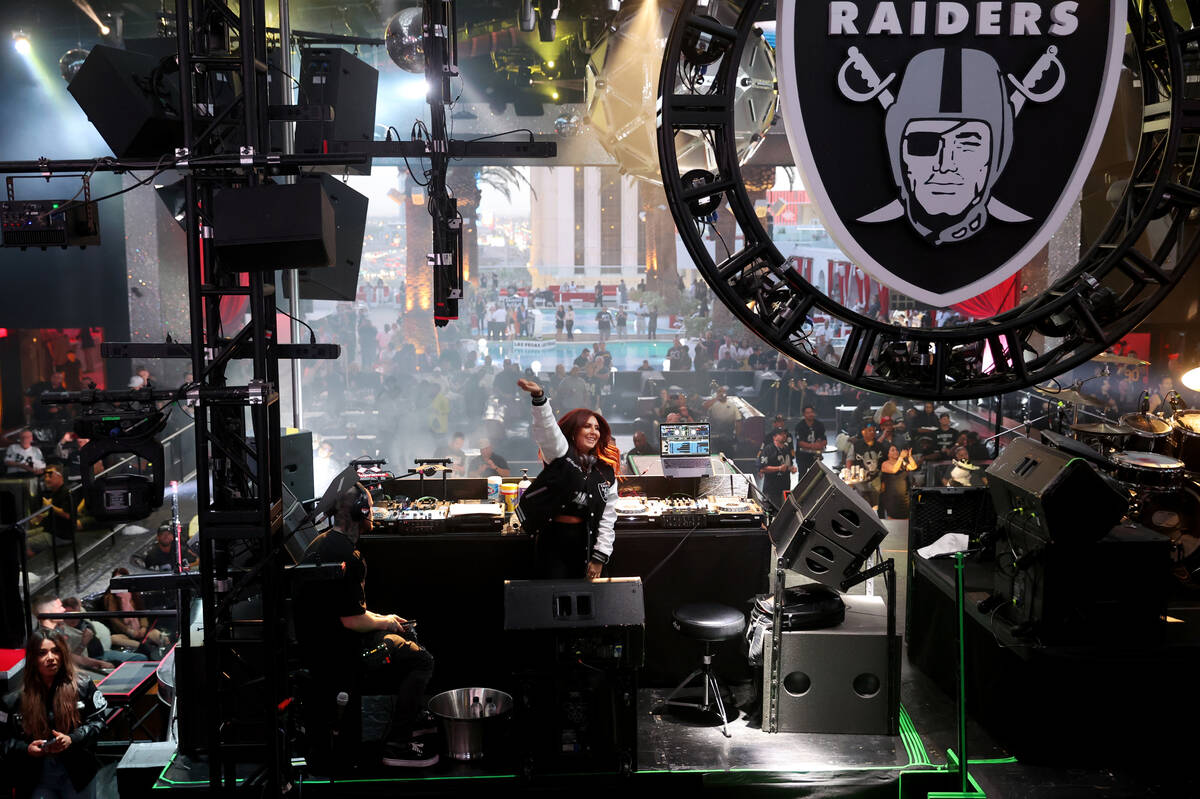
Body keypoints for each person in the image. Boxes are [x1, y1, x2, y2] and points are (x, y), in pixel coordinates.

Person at [295, 484, 437, 767]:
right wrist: (385, 621)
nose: (374, 513)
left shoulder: (320, 543)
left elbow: (344, 611)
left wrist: (385, 620)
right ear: (361, 512)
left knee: (398, 632)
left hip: (317, 646)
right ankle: (398, 743)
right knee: (421, 659)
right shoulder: (350, 557)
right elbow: (352, 620)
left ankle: (410, 718)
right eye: (371, 508)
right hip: (342, 654)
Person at [517, 377, 619, 579]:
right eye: (587, 426)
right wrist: (540, 399)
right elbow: (547, 430)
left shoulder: (605, 472)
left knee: (588, 603)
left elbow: (608, 518)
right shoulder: (561, 454)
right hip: (554, 541)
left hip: (587, 542)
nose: (593, 432)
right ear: (574, 431)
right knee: (554, 600)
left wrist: (599, 557)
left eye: (597, 428)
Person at [0, 629, 108, 799]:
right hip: (36, 777)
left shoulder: (83, 685)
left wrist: (73, 738)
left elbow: (99, 723)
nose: (50, 657)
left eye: (55, 651)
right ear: (33, 659)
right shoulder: (14, 700)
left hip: (78, 774)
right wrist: (26, 749)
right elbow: (3, 740)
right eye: (42, 653)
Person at [101, 568, 168, 654]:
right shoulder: (111, 597)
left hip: (141, 631)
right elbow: (114, 619)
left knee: (160, 636)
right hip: (125, 633)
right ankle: (142, 647)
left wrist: (143, 627)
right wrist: (129, 631)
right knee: (114, 639)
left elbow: (141, 611)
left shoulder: (133, 593)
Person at [26, 466, 77, 557]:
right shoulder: (54, 493)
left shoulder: (66, 493)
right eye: (45, 476)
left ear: (60, 476)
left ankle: (31, 566)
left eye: (50, 476)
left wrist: (50, 506)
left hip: (61, 535)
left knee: (25, 543)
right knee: (21, 535)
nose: (47, 479)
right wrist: (41, 517)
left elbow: (67, 515)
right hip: (50, 530)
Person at [846, 422, 888, 510]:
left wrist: (884, 481)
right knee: (863, 506)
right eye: (870, 430)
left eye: (874, 430)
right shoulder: (856, 445)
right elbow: (849, 460)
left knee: (876, 506)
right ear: (863, 432)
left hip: (876, 481)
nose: (872, 432)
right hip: (860, 481)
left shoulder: (879, 446)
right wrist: (849, 476)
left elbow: (884, 464)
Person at [758, 429, 796, 509]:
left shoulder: (786, 449)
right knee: (769, 511)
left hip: (785, 487)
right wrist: (778, 468)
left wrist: (791, 469)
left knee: (783, 511)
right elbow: (762, 468)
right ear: (774, 437)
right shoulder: (768, 449)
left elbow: (788, 465)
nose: (784, 435)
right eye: (781, 434)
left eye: (784, 434)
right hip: (771, 488)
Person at [879, 445, 919, 519]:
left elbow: (913, 466)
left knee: (906, 521)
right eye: (892, 450)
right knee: (893, 522)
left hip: (904, 498)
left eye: (897, 450)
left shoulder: (902, 463)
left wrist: (909, 457)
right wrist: (900, 458)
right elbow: (894, 470)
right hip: (892, 499)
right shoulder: (885, 464)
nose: (896, 452)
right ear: (888, 454)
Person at [794, 405, 827, 472]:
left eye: (811, 412)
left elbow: (824, 440)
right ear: (804, 414)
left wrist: (820, 445)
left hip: (815, 456)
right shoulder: (799, 426)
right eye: (808, 413)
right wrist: (813, 446)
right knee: (803, 477)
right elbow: (800, 443)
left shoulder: (820, 425)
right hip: (802, 456)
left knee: (816, 476)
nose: (810, 414)